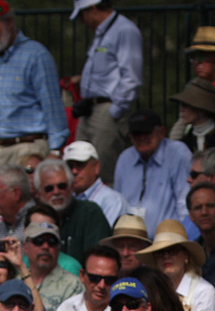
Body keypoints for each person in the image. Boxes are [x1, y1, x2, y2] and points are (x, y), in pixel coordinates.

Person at [0, 0, 68, 205]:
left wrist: (54, 152)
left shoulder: (36, 55)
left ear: (9, 22)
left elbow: (53, 108)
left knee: (28, 215)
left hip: (28, 149)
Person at [72, 0, 144, 182]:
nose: (82, 21)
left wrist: (115, 112)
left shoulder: (124, 30)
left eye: (82, 15)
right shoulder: (102, 33)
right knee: (78, 169)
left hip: (107, 110)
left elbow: (132, 77)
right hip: (91, 109)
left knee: (103, 172)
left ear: (93, 9)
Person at [113, 109, 193, 233]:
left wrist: (181, 237)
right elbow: (117, 202)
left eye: (147, 132)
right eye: (136, 134)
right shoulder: (125, 158)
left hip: (166, 241)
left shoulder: (177, 153)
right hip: (130, 240)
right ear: (130, 136)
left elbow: (184, 203)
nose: (142, 137)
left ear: (162, 132)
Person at [31, 158, 110, 264]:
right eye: (49, 188)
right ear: (39, 193)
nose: (56, 192)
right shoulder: (34, 218)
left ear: (72, 187)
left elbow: (98, 260)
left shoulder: (90, 213)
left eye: (62, 186)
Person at [23, 219, 82, 311]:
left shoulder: (73, 284)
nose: (45, 246)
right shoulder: (16, 280)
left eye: (52, 242)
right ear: (25, 247)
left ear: (59, 247)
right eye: (38, 241)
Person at [63, 140, 124, 225]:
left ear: (96, 166)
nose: (74, 171)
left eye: (80, 164)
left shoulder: (112, 201)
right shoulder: (66, 199)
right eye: (70, 166)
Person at [168, 78, 215, 154]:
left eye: (186, 105)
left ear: (202, 110)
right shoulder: (184, 143)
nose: (181, 109)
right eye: (181, 105)